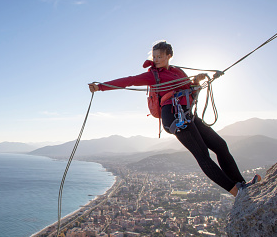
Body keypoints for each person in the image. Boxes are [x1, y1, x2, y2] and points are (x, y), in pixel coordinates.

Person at [88, 40, 260, 197]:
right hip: (173, 116)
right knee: (202, 155)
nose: (156, 59)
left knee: (220, 145)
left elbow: (188, 87)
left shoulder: (177, 72)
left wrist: (197, 80)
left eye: (160, 56)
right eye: (154, 56)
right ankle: (237, 191)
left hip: (186, 114)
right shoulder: (153, 75)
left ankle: (243, 185)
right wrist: (100, 87)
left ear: (169, 56)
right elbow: (129, 81)